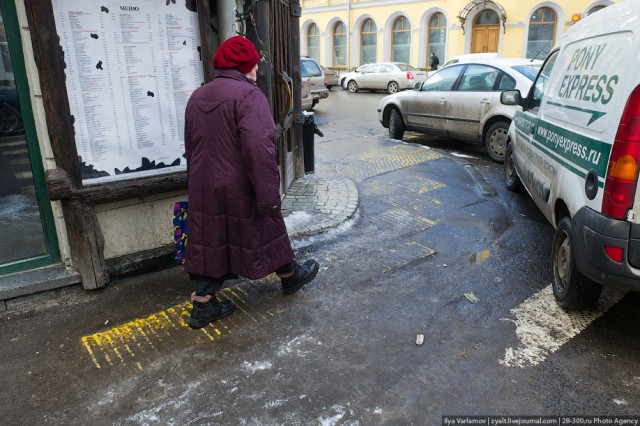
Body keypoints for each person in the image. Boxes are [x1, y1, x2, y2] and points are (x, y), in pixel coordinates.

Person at [183, 36, 319, 330]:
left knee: (211, 239)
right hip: (239, 185)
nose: (257, 67)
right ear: (245, 65)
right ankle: (290, 275)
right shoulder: (249, 95)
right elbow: (260, 149)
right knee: (266, 222)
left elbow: (190, 147)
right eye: (254, 62)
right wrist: (269, 194)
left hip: (205, 186)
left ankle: (204, 304)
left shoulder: (198, 95)